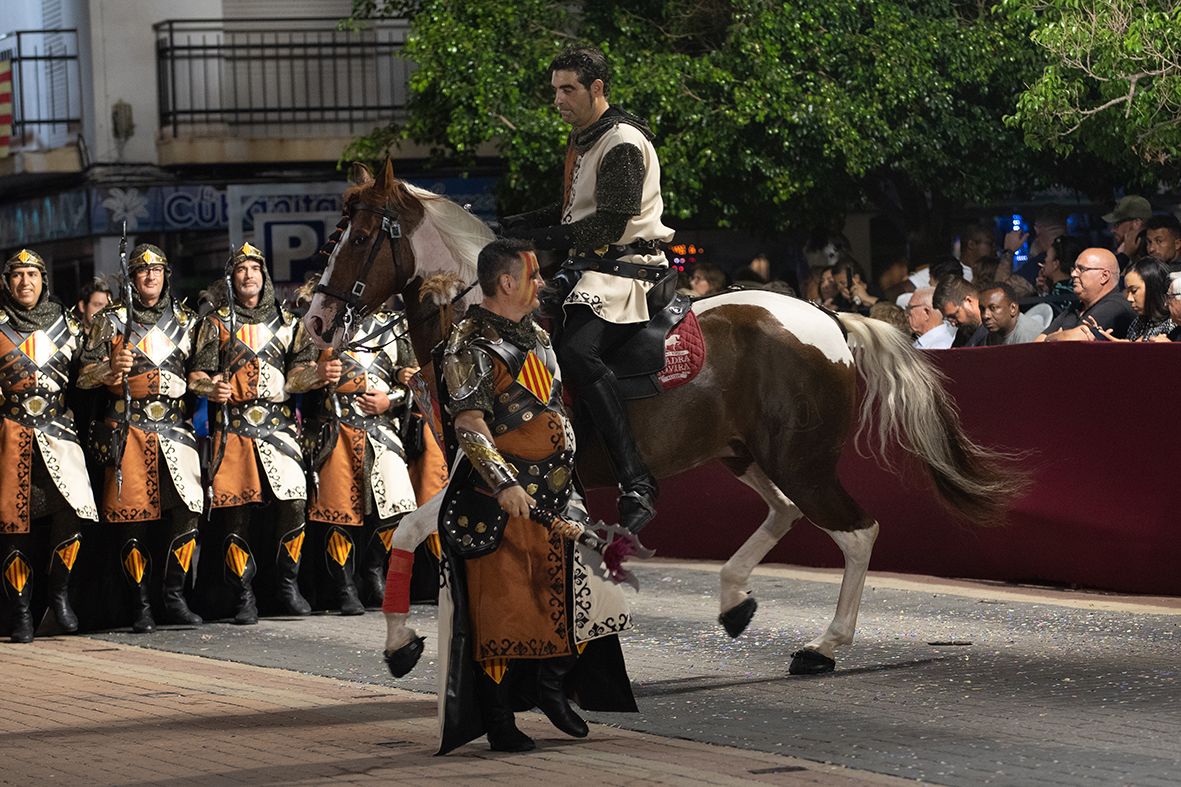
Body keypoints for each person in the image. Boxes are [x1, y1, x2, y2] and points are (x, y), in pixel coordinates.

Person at [436, 238, 634, 754]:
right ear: (507, 282)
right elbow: (470, 424)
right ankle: (500, 723)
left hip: (557, 495)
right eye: (535, 275)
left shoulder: (538, 337)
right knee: (505, 614)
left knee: (596, 598)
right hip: (500, 501)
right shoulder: (470, 344)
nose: (542, 283)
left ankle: (551, 685)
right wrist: (502, 483)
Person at [501, 46, 673, 534]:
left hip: (626, 271)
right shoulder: (585, 138)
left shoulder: (621, 140)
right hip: (590, 270)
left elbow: (609, 224)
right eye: (555, 89)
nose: (557, 98)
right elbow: (569, 215)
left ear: (597, 89)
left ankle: (636, 480)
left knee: (577, 354)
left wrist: (532, 239)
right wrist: (502, 227)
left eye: (567, 89)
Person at [189, 243, 326, 624]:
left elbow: (299, 373)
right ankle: (243, 593)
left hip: (278, 427)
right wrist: (211, 388)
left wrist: (316, 376)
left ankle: (286, 583)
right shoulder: (214, 323)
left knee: (295, 502)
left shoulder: (287, 321)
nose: (248, 274)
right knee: (237, 513)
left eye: (254, 268)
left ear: (264, 275)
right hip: (233, 427)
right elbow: (196, 376)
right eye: (240, 269)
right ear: (231, 279)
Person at [78, 243, 204, 633]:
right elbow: (83, 375)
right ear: (131, 278)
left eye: (157, 270)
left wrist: (200, 383)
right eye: (142, 271)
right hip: (127, 429)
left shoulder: (185, 319)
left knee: (187, 512)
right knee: (132, 520)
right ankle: (140, 604)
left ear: (166, 274)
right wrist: (109, 369)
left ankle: (173, 596)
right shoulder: (112, 320)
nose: (151, 277)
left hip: (175, 428)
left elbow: (201, 372)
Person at [0, 249, 98, 642]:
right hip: (9, 435)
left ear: (44, 280)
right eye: (18, 275)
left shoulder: (67, 324)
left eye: (32, 275)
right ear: (7, 283)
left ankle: (58, 596)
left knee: (71, 513)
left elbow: (85, 378)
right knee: (14, 526)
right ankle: (21, 611)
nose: (26, 282)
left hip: (58, 435)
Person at [305, 305, 421, 613]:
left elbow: (411, 380)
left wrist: (389, 400)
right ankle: (343, 586)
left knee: (398, 505)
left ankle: (372, 572)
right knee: (338, 511)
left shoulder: (395, 325)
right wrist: (315, 373)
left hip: (382, 428)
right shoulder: (321, 320)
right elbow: (297, 373)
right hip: (336, 425)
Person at [1037, 248, 1135, 341]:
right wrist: (1057, 337)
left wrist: (1051, 338)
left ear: (1104, 276)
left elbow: (1074, 340)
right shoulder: (1077, 307)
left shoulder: (1116, 305)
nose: (1073, 274)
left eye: (1081, 269)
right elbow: (1038, 342)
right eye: (1074, 269)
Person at [1104, 257, 1176, 341]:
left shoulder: (1176, 325)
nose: (1129, 298)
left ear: (1153, 287)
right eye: (1127, 291)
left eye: (1134, 291)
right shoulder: (1138, 322)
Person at [933, 277, 988, 347]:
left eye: (954, 316)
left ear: (968, 301)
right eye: (948, 319)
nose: (953, 324)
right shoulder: (962, 335)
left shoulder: (995, 331)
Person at [1104, 195, 1152, 268]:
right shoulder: (1128, 252)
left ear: (1137, 223)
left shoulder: (1150, 255)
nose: (1112, 230)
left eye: (1117, 224)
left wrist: (1124, 256)